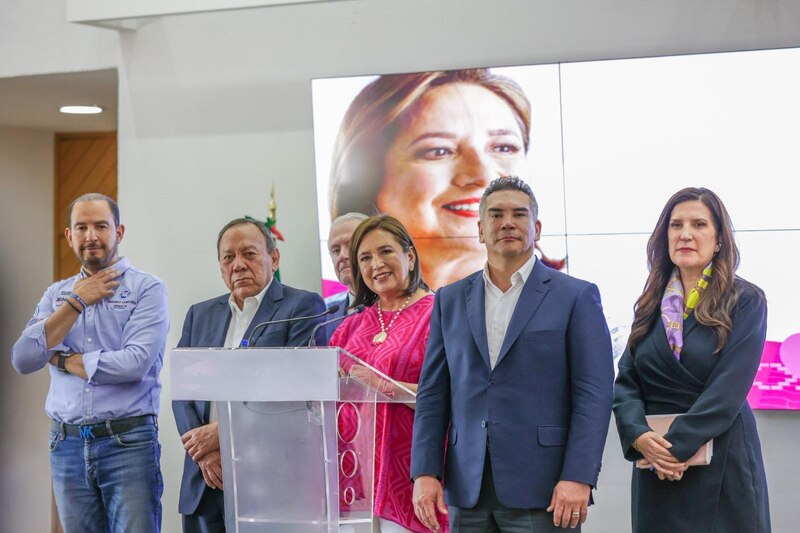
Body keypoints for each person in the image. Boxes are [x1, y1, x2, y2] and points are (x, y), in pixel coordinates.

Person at [411, 176, 614, 532]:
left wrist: (579, 476)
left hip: (546, 488)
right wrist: (425, 472)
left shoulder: (575, 297)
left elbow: (593, 395)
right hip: (467, 488)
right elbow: (432, 394)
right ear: (480, 229)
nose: (507, 222)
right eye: (496, 214)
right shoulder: (450, 299)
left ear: (535, 227)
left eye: (519, 214)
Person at [613, 187, 770, 532]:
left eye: (699, 224)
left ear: (718, 240)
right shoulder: (651, 303)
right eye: (676, 225)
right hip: (654, 463)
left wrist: (674, 448)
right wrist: (638, 436)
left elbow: (727, 391)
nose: (685, 234)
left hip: (721, 459)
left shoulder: (746, 300)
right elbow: (626, 381)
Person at [11, 193, 169, 533]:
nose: (91, 236)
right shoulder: (57, 295)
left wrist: (63, 360)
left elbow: (135, 363)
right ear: (69, 236)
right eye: (81, 227)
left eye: (100, 226)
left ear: (119, 232)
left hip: (127, 444)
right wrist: (77, 301)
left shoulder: (147, 288)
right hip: (65, 445)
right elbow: (23, 358)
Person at [172, 218, 326, 532]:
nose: (238, 265)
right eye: (229, 257)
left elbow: (292, 387)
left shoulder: (303, 307)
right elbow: (181, 389)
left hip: (271, 480)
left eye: (250, 254)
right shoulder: (199, 315)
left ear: (274, 258)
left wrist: (224, 432)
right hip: (206, 479)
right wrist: (204, 452)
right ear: (220, 266)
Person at [329, 69, 533, 290]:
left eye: (503, 148)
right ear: (369, 180)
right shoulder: (335, 315)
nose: (483, 175)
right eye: (439, 151)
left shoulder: (564, 298)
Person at [330, 215, 436, 533]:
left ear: (410, 256)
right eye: (365, 257)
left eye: (385, 251)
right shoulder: (349, 325)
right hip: (353, 481)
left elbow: (449, 399)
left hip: (412, 479)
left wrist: (377, 383)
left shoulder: (439, 314)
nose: (376, 264)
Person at [323, 212, 368, 341]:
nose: (342, 256)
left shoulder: (399, 307)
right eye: (336, 250)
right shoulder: (325, 315)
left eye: (351, 245)